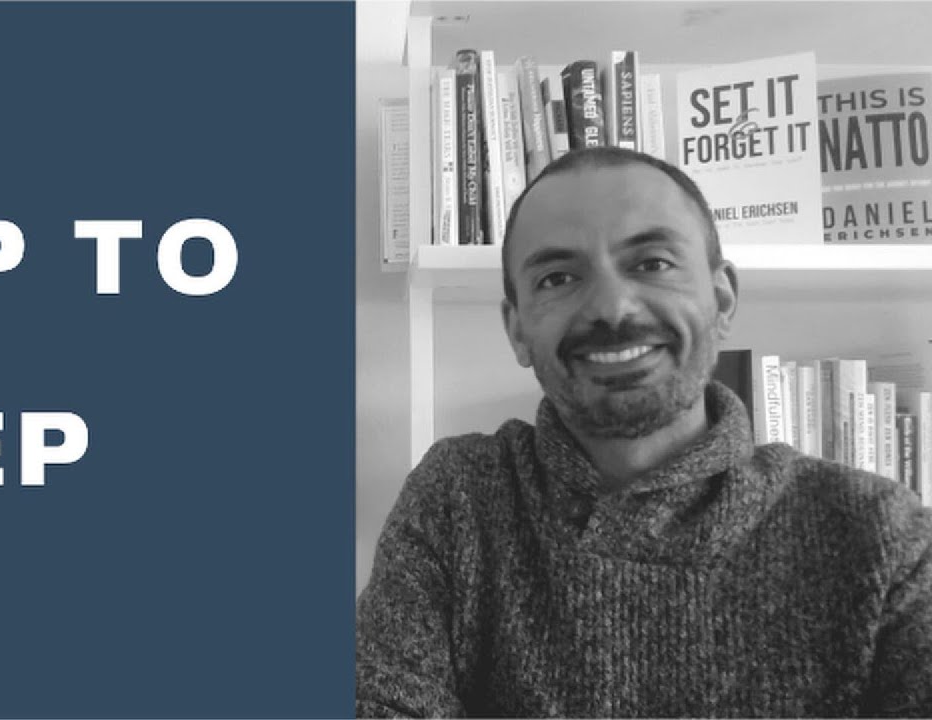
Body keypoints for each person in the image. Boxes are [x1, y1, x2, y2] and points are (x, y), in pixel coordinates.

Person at [355, 147, 932, 718]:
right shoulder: (458, 499)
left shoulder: (880, 536)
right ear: (517, 331)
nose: (611, 307)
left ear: (722, 299)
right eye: (558, 277)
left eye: (652, 263)